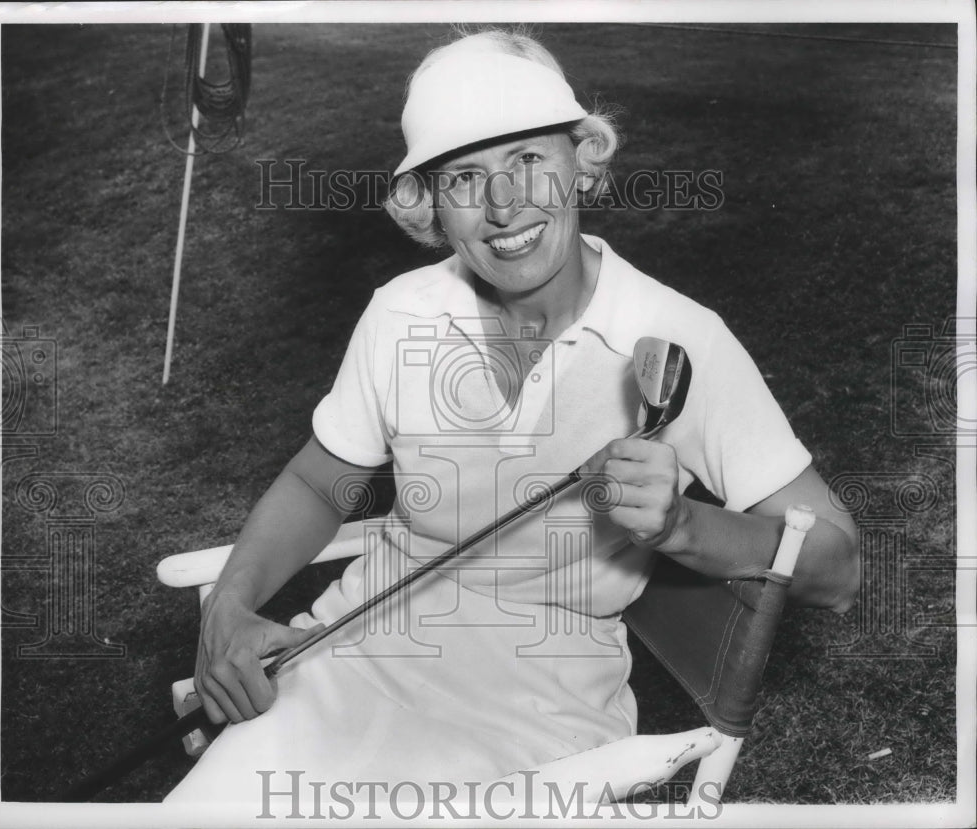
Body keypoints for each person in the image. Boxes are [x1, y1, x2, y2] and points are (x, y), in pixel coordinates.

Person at [165, 29, 858, 808]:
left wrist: (681, 529)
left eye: (528, 159)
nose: (503, 206)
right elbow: (319, 483)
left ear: (581, 160)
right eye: (465, 176)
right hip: (349, 651)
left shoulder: (678, 335)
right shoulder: (399, 314)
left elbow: (838, 565)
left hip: (541, 707)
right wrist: (229, 604)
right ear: (431, 204)